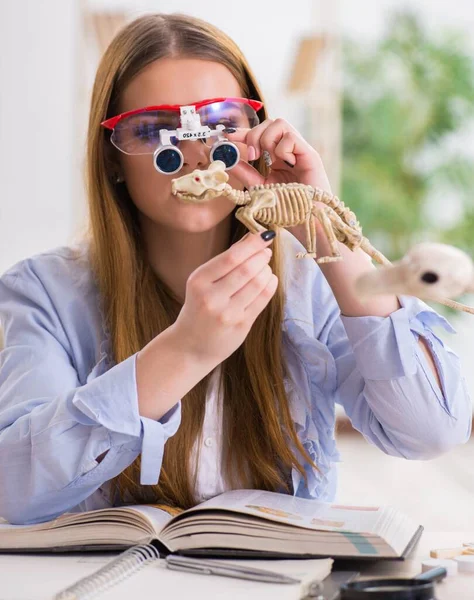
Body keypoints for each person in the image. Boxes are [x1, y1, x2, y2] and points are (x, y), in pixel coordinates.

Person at [0, 13, 471, 525]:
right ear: (112, 156)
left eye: (220, 123)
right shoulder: (43, 292)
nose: (194, 153)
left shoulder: (309, 287)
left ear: (258, 131)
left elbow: (433, 431)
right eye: (156, 131)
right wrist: (183, 351)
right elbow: (12, 489)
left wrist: (320, 220)